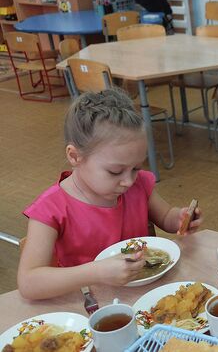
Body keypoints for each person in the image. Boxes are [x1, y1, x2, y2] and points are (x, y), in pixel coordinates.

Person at [18, 89, 204, 300]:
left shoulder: (138, 184)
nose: (129, 180)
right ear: (75, 156)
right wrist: (96, 272)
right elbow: (28, 283)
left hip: (147, 295)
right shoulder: (52, 209)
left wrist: (180, 218)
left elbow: (166, 216)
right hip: (90, 305)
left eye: (136, 168)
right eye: (115, 171)